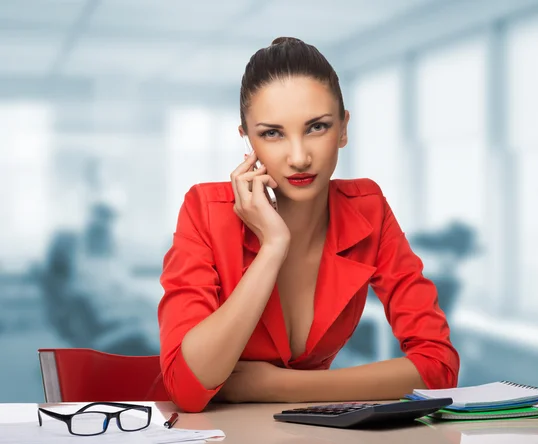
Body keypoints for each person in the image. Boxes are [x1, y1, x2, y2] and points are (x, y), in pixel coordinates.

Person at [158, 37, 460, 413]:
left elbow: (438, 368)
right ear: (247, 140)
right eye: (272, 133)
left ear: (343, 129)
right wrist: (272, 248)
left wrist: (277, 387)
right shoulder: (205, 209)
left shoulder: (367, 208)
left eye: (317, 127)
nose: (299, 157)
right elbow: (187, 390)